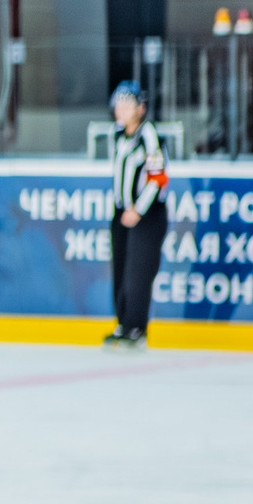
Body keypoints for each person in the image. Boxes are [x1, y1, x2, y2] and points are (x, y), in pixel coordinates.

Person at [106, 80, 166, 349]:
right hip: (121, 212)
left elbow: (158, 178)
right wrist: (123, 209)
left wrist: (138, 209)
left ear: (140, 108)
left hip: (146, 215)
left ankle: (136, 328)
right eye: (118, 103)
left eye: (126, 104)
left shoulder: (148, 134)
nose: (120, 109)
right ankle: (123, 323)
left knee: (138, 271)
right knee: (120, 268)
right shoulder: (117, 134)